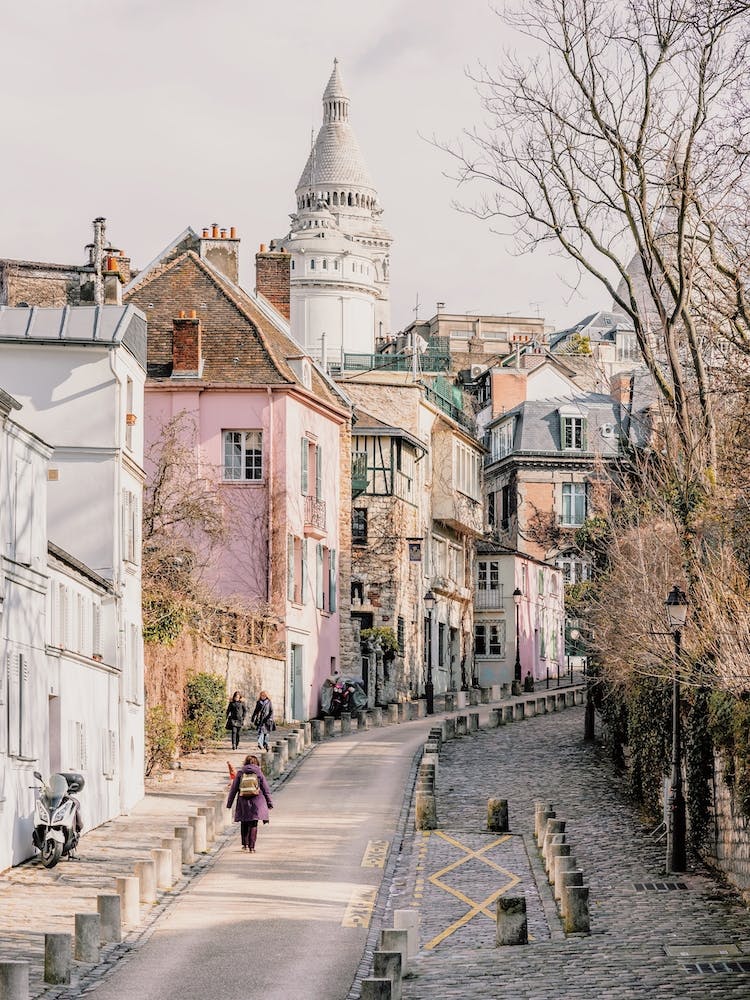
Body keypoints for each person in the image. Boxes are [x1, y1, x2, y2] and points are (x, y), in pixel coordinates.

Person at [226, 753, 273, 853]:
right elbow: (265, 789)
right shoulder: (259, 773)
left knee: (244, 822)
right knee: (253, 823)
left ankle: (245, 844)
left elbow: (233, 790)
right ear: (256, 763)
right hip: (257, 801)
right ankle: (252, 847)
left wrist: (229, 804)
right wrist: (269, 802)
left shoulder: (240, 773)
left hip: (243, 801)